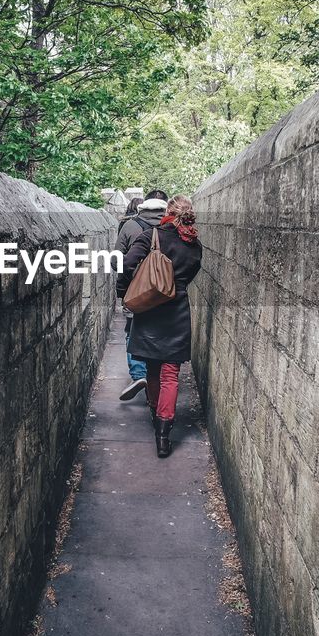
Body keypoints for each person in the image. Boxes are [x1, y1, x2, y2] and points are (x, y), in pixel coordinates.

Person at [117, 195, 202, 458]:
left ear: (168, 211)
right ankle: (164, 435)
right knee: (170, 374)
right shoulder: (194, 245)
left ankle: (155, 414)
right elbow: (189, 275)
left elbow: (127, 264)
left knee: (153, 367)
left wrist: (125, 294)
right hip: (177, 311)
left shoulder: (153, 236)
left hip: (151, 310)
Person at [116, 190, 168, 402]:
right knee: (161, 333)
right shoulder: (172, 227)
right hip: (164, 292)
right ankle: (157, 382)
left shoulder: (129, 226)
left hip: (135, 291)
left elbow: (117, 260)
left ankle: (139, 375)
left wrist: (124, 288)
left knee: (133, 330)